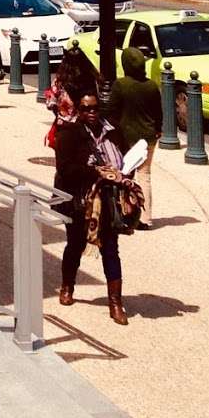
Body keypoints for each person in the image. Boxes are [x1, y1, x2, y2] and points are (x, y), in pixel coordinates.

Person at [54, 93, 140, 324]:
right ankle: (67, 286)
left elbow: (127, 156)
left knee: (110, 249)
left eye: (94, 108)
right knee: (75, 245)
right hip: (79, 202)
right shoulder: (69, 133)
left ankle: (115, 303)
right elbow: (65, 169)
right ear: (79, 110)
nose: (91, 113)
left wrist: (124, 174)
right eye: (86, 108)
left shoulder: (113, 131)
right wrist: (96, 172)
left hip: (109, 201)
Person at [106, 47, 162, 226]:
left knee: (125, 176)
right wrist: (157, 130)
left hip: (126, 137)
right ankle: (146, 218)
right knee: (145, 175)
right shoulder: (151, 86)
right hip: (148, 137)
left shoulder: (121, 85)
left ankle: (126, 212)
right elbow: (158, 113)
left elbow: (110, 110)